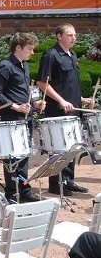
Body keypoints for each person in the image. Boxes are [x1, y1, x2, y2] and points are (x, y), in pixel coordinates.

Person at [38, 23, 94, 195]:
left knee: (72, 147)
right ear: (59, 36)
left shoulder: (72, 55)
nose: (73, 38)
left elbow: (68, 84)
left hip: (73, 110)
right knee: (59, 148)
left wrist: (81, 99)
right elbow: (42, 83)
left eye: (74, 35)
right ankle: (56, 184)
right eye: (70, 35)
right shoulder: (51, 55)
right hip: (57, 110)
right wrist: (61, 101)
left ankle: (68, 180)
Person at [0, 32, 44, 203]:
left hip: (25, 117)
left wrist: (34, 103)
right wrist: (15, 106)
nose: (32, 52)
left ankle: (24, 189)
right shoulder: (5, 66)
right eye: (29, 48)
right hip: (11, 117)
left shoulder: (24, 65)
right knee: (12, 157)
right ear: (18, 47)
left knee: (24, 156)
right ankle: (12, 192)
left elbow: (23, 93)